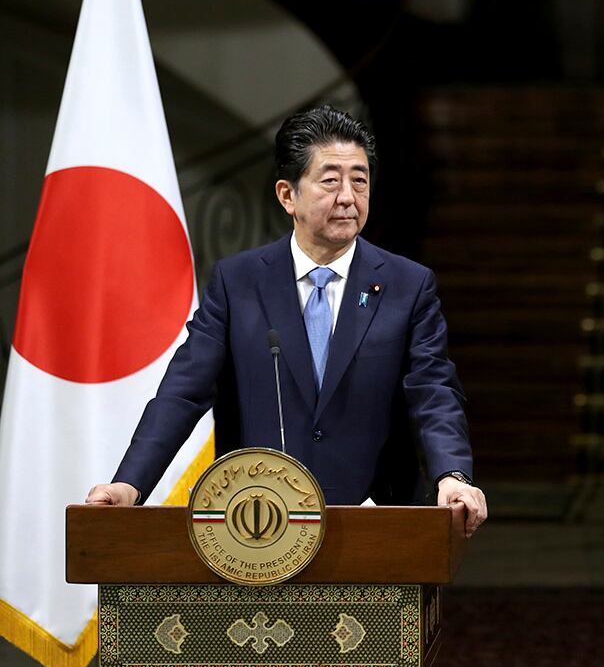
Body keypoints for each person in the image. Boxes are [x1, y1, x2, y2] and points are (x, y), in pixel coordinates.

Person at [87, 105, 487, 535]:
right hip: (257, 523)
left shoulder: (409, 286)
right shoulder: (237, 283)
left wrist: (453, 475)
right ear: (287, 195)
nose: (348, 197)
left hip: (376, 520)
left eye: (360, 180)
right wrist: (130, 483)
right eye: (330, 180)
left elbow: (433, 392)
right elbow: (183, 393)